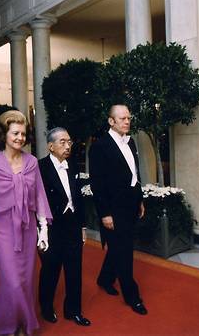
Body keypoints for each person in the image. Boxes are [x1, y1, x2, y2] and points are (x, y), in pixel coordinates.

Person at [0, 110, 52, 336]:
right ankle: (7, 326)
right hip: (3, 230)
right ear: (4, 135)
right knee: (11, 282)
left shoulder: (31, 162)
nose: (20, 138)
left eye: (23, 133)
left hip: (28, 228)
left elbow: (39, 195)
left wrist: (44, 229)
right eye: (15, 133)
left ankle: (24, 324)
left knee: (27, 280)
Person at [88, 104, 148, 315]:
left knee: (119, 246)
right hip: (113, 209)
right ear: (111, 121)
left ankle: (105, 279)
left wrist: (139, 200)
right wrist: (105, 213)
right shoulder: (100, 146)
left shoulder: (130, 142)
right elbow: (97, 184)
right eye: (122, 118)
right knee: (124, 252)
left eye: (128, 118)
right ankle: (133, 297)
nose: (127, 121)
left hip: (131, 204)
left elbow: (135, 174)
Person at [37, 127, 91, 327]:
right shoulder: (39, 168)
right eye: (62, 142)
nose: (68, 145)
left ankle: (74, 310)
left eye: (69, 142)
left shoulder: (73, 166)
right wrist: (39, 231)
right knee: (50, 269)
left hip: (73, 226)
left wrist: (83, 226)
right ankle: (46, 307)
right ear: (50, 146)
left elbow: (79, 199)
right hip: (51, 227)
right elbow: (34, 201)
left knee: (74, 269)